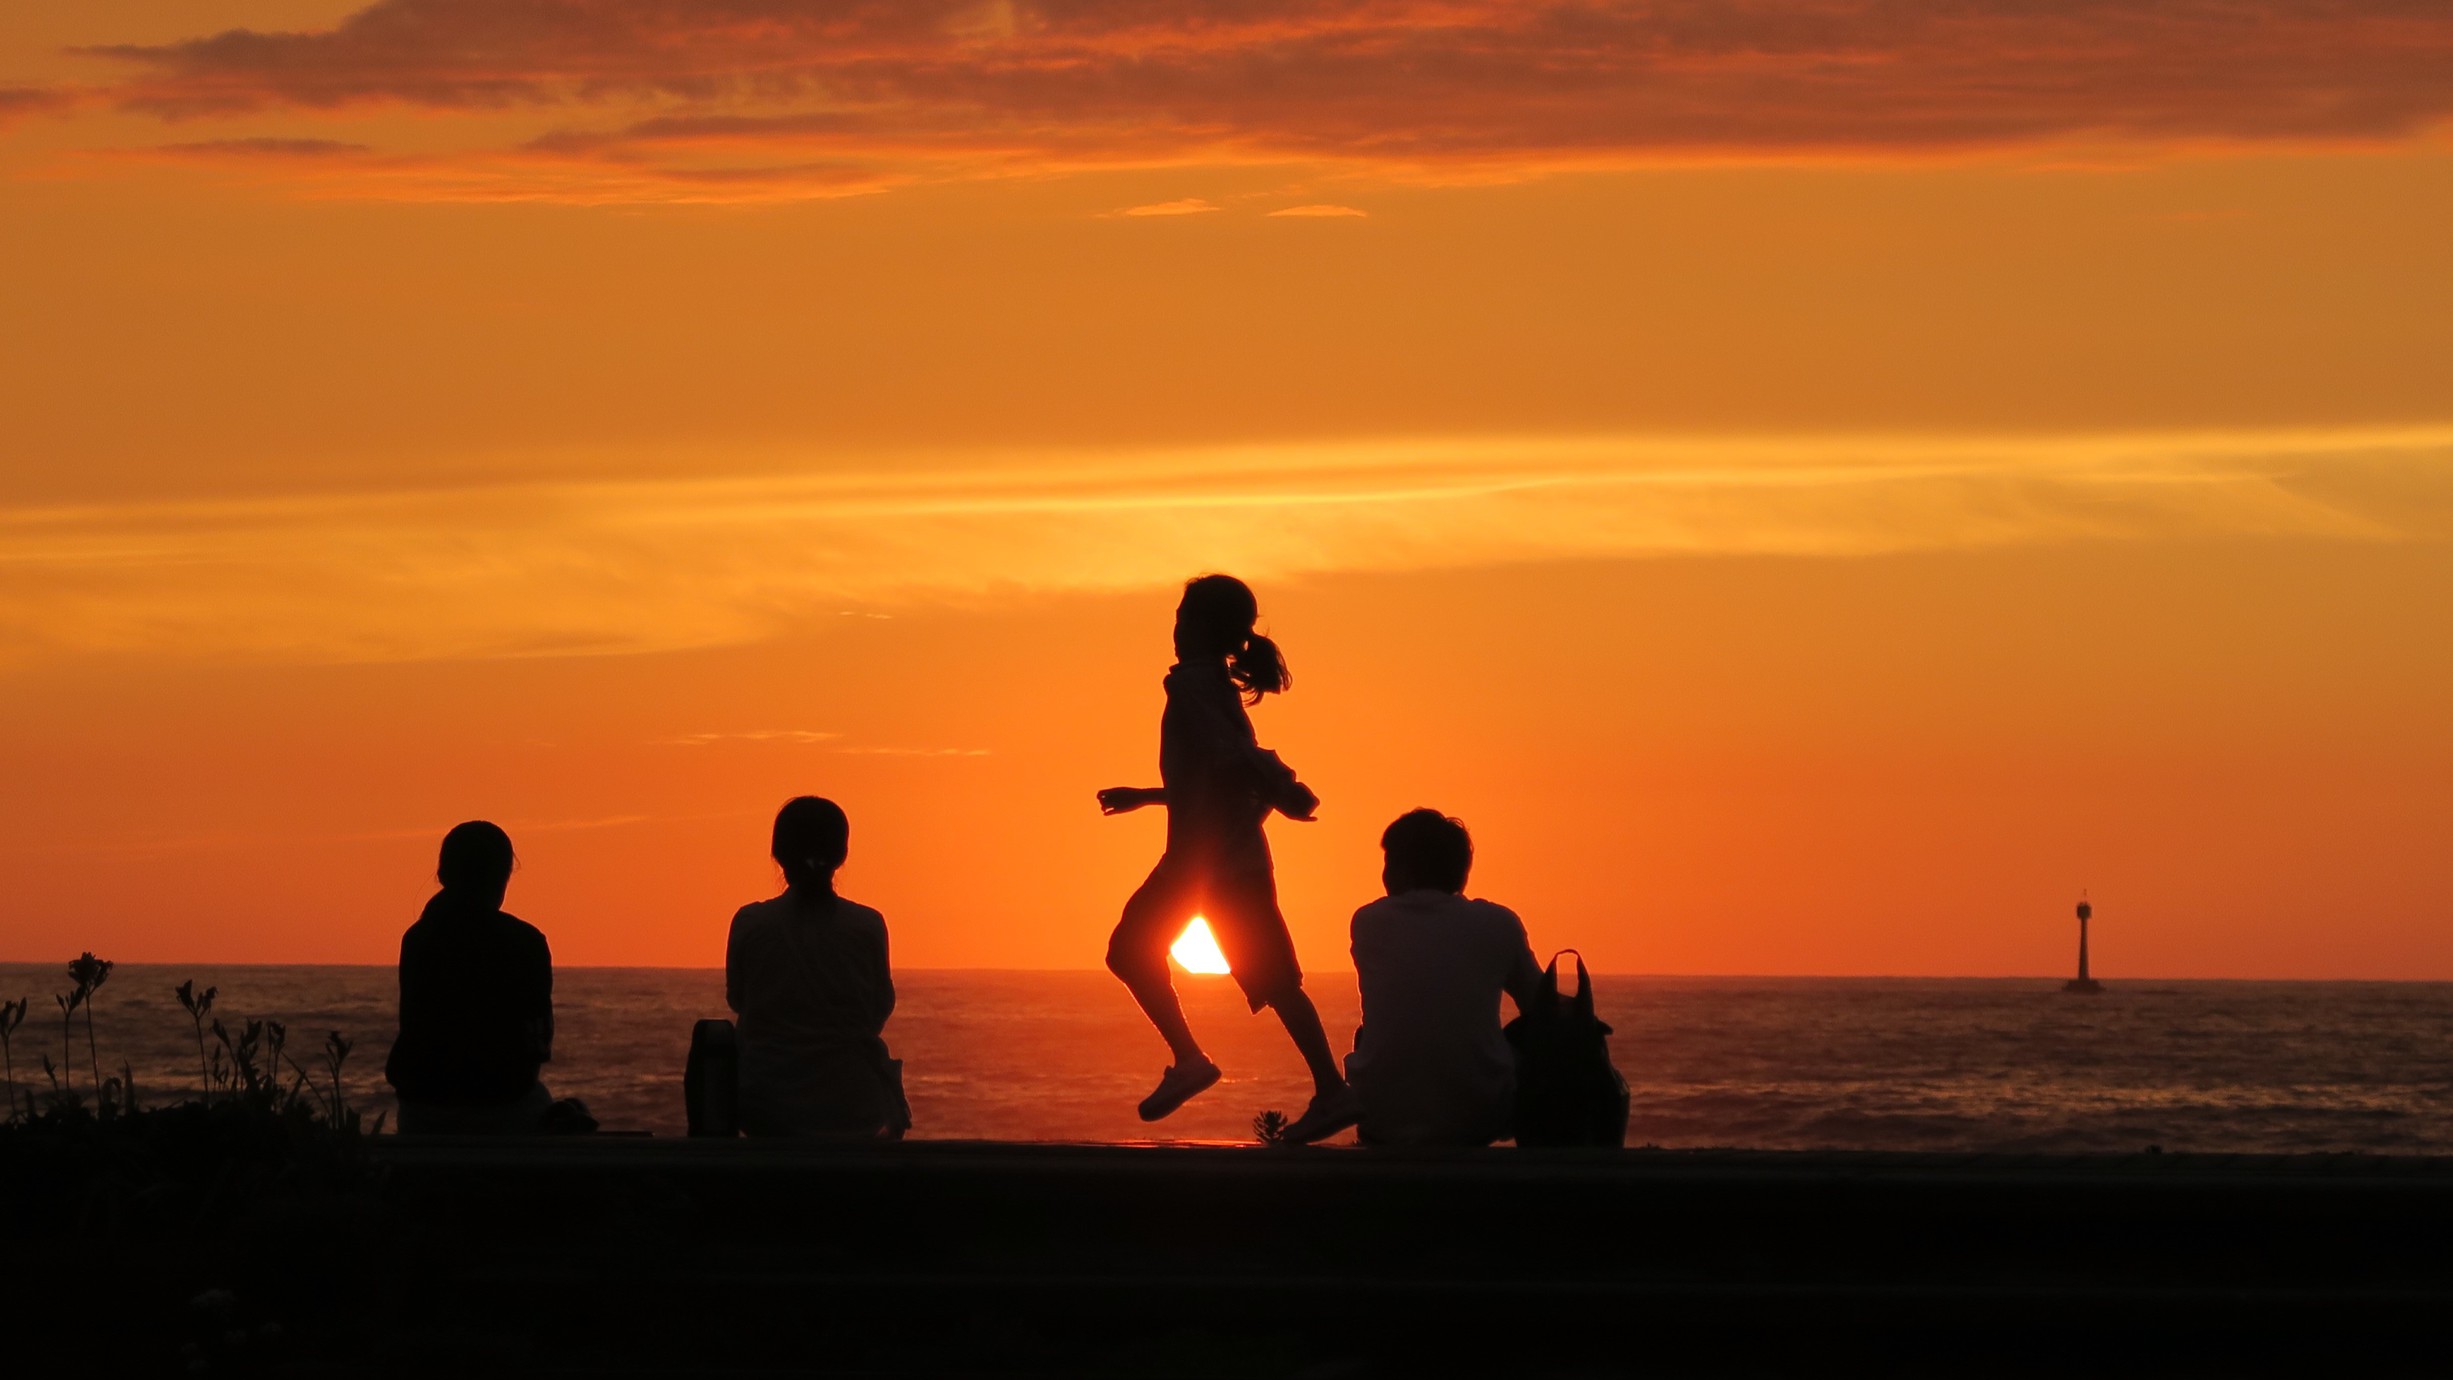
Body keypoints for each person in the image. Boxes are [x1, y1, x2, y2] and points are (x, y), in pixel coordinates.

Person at [1098, 574, 1356, 1142]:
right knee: (1276, 981)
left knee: (1131, 952)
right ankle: (1329, 1090)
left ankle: (1195, 1060)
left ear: (1200, 627)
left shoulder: (1193, 685)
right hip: (1226, 861)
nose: (1176, 626)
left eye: (1183, 615)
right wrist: (1146, 797)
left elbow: (1231, 757)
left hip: (1202, 864)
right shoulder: (1210, 685)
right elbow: (1214, 773)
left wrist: (1281, 785)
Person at [1344, 809, 1542, 1147]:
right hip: (1478, 1119)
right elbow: (1539, 1005)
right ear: (1461, 871)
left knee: (1367, 1036)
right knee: (1532, 1035)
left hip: (1382, 1118)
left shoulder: (1369, 921)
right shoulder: (1497, 922)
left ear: (1402, 868)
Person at [725, 796, 908, 1138]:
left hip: (765, 1108)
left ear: (777, 854)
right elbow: (878, 1009)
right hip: (851, 1108)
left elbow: (738, 999)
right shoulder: (867, 925)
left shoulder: (751, 922)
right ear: (841, 856)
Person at [385, 820, 557, 1134]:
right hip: (504, 1108)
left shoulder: (419, 938)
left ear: (442, 876)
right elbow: (535, 1048)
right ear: (504, 876)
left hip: (423, 1110)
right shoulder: (525, 941)